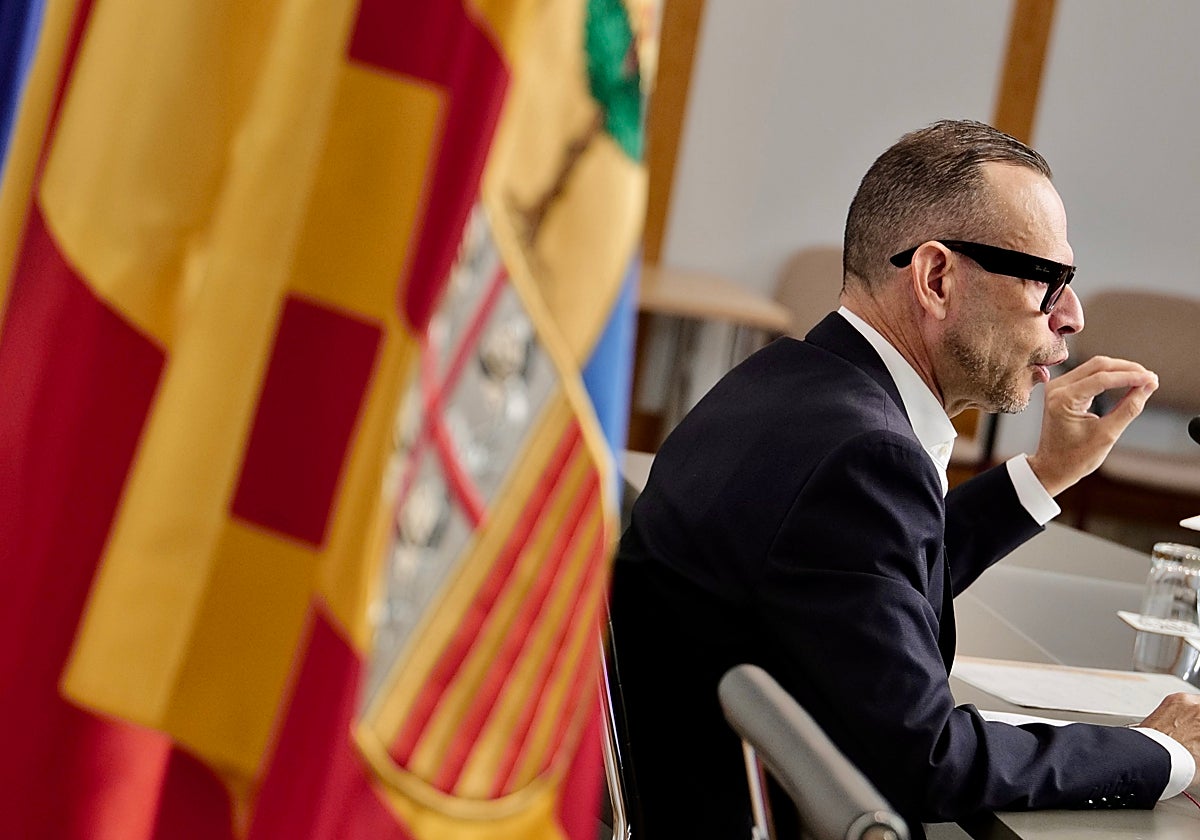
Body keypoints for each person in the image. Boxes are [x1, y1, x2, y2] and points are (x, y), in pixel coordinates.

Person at [608, 119, 1200, 837]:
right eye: (1049, 280)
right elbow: (926, 760)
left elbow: (874, 569)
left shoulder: (785, 383)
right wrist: (1159, 751)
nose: (1071, 316)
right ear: (937, 278)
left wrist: (1046, 473)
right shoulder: (862, 456)